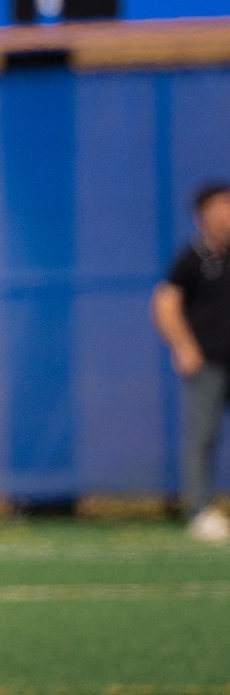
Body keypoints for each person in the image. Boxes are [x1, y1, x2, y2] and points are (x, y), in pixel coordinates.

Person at [152, 182, 230, 542]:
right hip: (210, 363)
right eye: (220, 207)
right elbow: (165, 302)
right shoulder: (192, 258)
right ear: (202, 215)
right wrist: (184, 347)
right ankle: (201, 511)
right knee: (202, 437)